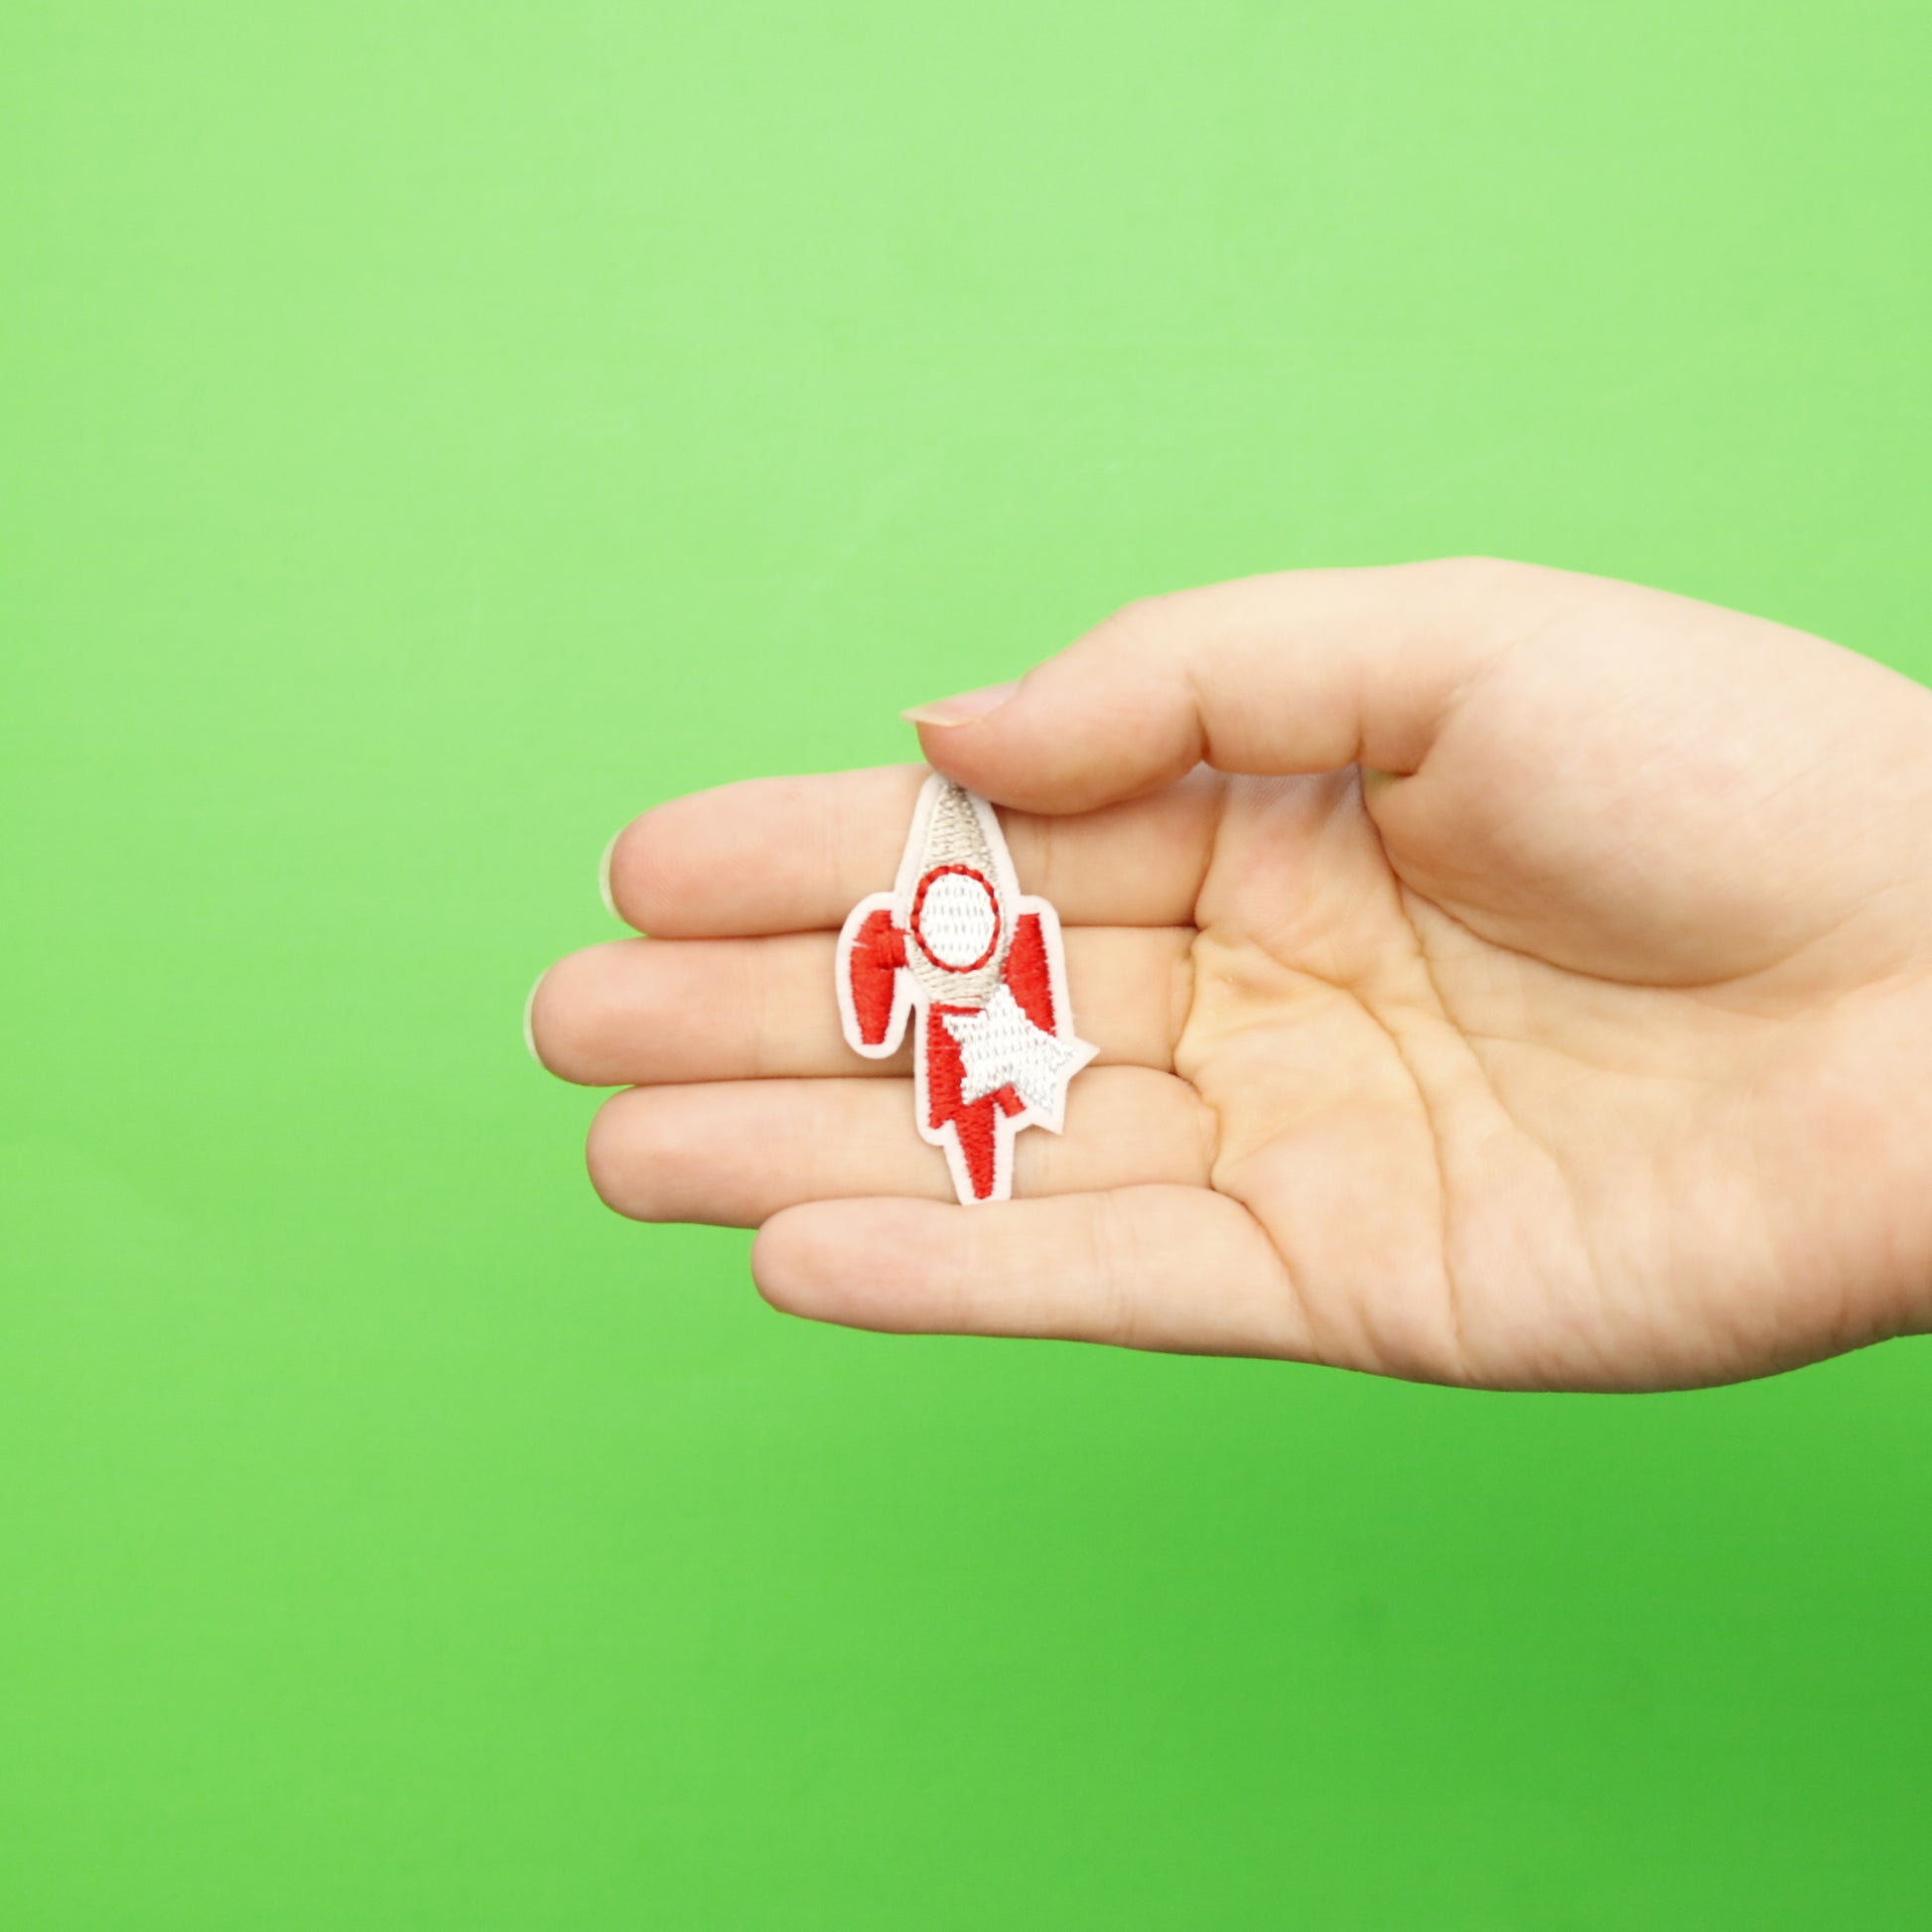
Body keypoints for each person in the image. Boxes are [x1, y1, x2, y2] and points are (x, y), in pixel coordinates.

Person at [526, 559, 1932, 1391]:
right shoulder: (930, 933)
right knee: (949, 1130)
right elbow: (904, 1007)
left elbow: (1010, 1007)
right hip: (981, 1063)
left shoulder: (1009, 936)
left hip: (1012, 1061)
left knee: (974, 1118)